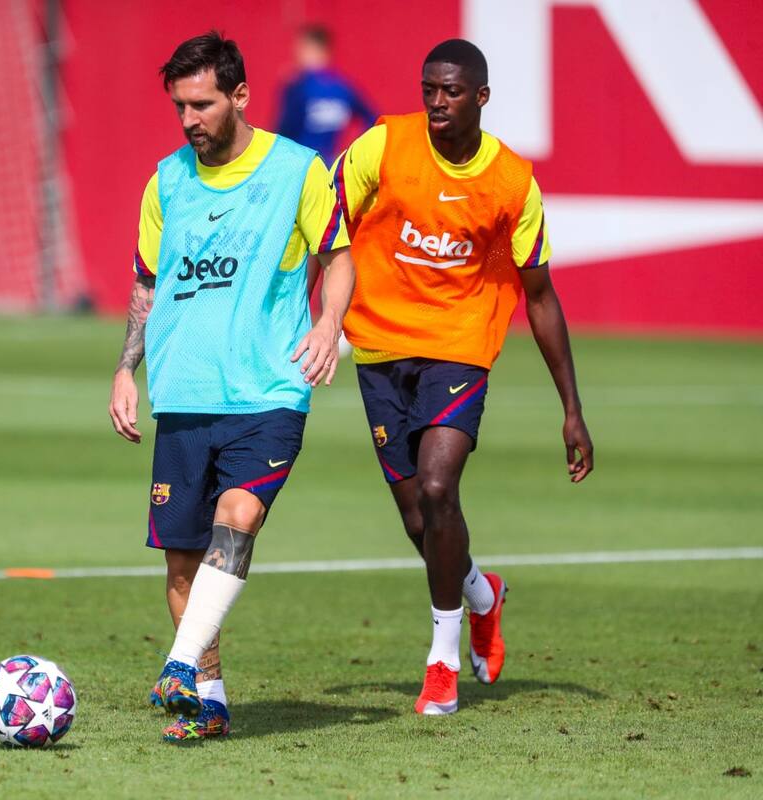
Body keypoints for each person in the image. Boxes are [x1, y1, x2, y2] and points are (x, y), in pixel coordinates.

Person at [330, 39, 593, 715]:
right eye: (428, 91)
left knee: (441, 487)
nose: (436, 103)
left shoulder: (511, 181)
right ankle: (482, 594)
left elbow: (538, 296)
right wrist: (316, 322)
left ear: (480, 97)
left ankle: (442, 662)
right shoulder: (380, 147)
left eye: (450, 92)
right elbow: (325, 229)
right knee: (421, 518)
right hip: (381, 345)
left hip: (459, 343)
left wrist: (572, 407)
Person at [108, 31, 355, 742]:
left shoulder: (297, 170)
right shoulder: (167, 180)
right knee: (182, 567)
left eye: (203, 103)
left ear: (240, 95)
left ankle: (178, 666)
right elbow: (148, 283)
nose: (189, 119)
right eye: (180, 106)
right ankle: (208, 701)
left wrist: (328, 318)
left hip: (268, 389)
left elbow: (338, 255)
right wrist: (128, 367)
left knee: (239, 516)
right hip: (182, 396)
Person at [276, 24, 375, 168]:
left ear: (310, 49)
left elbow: (283, 132)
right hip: (330, 167)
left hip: (300, 168)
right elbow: (372, 120)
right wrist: (355, 155)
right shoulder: (344, 87)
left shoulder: (298, 86)